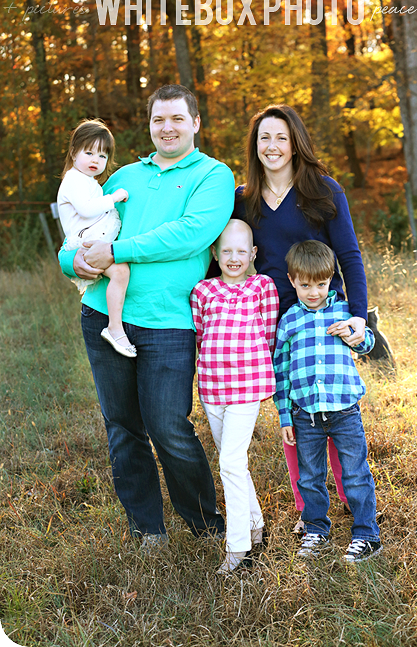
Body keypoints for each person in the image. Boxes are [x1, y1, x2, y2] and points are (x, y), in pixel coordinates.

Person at [59, 84, 234, 546]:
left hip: (169, 322)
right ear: (149, 125)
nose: (167, 128)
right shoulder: (125, 177)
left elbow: (190, 235)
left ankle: (205, 527)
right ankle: (147, 530)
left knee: (169, 427)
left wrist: (118, 250)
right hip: (102, 314)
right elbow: (81, 228)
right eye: (159, 120)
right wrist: (68, 261)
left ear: (195, 123)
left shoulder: (213, 176)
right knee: (123, 428)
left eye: (177, 118)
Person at [233, 104, 365, 532]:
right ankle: (307, 504)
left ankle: (350, 497)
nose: (272, 146)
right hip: (275, 319)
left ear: (295, 144)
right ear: (255, 147)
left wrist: (359, 316)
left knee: (334, 402)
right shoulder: (243, 200)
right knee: (293, 407)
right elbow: (228, 259)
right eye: (264, 138)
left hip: (326, 316)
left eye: (281, 138)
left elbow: (349, 255)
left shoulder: (324, 192)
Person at [274, 240, 381, 563]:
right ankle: (315, 529)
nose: (313, 292)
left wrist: (355, 335)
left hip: (345, 410)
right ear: (292, 281)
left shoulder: (345, 311)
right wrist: (284, 415)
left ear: (331, 279)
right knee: (309, 476)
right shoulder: (289, 320)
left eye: (321, 284)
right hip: (305, 412)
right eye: (305, 285)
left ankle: (366, 534)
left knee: (355, 473)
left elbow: (367, 343)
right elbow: (281, 369)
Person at [191, 220, 279, 573]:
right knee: (233, 462)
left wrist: (259, 372)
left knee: (229, 462)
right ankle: (255, 524)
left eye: (241, 251)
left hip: (248, 386)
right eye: (226, 250)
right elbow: (199, 337)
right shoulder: (203, 291)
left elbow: (269, 335)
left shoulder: (262, 287)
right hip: (213, 387)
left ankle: (238, 546)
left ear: (253, 253)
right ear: (214, 253)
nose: (233, 257)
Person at [57, 120, 135, 357]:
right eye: (89, 152)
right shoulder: (73, 179)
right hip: (86, 242)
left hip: (91, 239)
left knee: (121, 273)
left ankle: (115, 326)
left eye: (102, 156)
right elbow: (86, 209)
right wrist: (114, 197)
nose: (95, 160)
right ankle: (114, 327)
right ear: (73, 152)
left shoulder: (86, 181)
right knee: (121, 273)